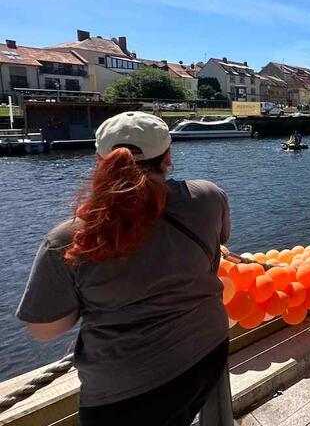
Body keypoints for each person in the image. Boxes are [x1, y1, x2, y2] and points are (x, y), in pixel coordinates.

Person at [17, 112, 231, 425]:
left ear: (100, 161)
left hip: (124, 396)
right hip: (207, 354)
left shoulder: (68, 239)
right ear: (167, 157)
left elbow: (45, 329)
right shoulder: (208, 197)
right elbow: (218, 242)